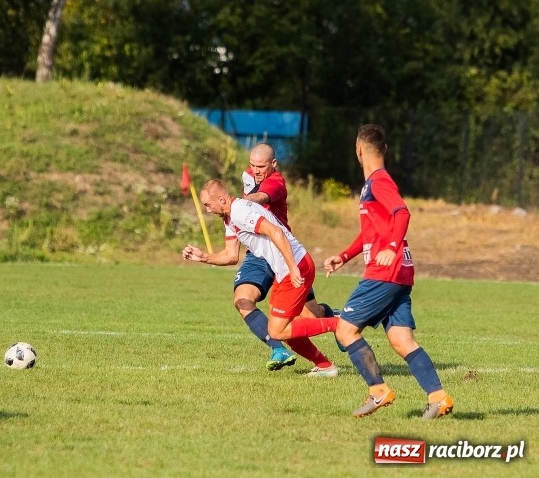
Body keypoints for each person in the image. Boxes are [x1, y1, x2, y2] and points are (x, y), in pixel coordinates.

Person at [324, 124, 454, 419]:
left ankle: (378, 390)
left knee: (345, 329)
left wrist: (392, 246)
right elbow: (371, 233)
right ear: (384, 149)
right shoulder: (372, 184)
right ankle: (438, 397)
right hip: (399, 271)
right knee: (401, 340)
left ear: (359, 150)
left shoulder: (379, 182)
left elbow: (402, 212)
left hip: (386, 271)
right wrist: (344, 256)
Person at [183, 179, 339, 377]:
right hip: (285, 271)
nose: (207, 209)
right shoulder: (229, 217)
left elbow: (275, 231)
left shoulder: (239, 211)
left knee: (278, 330)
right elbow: (231, 256)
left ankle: (337, 324)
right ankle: (325, 366)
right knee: (282, 329)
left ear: (221, 199)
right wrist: (204, 257)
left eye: (208, 204)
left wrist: (292, 267)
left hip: (295, 266)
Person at [235, 143, 335, 371]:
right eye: (252, 165)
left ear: (273, 164)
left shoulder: (276, 182)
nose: (256, 170)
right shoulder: (247, 175)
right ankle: (278, 348)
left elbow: (260, 197)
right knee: (242, 300)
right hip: (258, 255)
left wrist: (238, 205)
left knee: (311, 316)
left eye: (261, 166)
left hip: (283, 252)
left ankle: (332, 317)